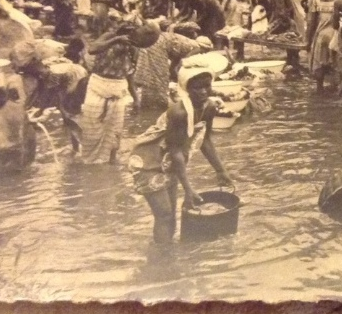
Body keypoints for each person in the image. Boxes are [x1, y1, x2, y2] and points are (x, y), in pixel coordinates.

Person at [129, 67, 233, 244]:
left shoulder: (210, 107)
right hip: (149, 160)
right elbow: (175, 150)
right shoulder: (179, 112)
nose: (202, 92)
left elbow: (205, 140)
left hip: (169, 160)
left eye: (206, 86)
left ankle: (168, 257)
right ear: (186, 89)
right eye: (196, 88)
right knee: (164, 214)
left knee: (171, 214)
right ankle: (162, 261)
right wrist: (188, 188)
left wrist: (220, 170)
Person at [78, 24, 144, 164]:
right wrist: (116, 40)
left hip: (118, 88)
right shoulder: (109, 37)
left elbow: (130, 75)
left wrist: (136, 99)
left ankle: (111, 161)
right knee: (91, 127)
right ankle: (89, 162)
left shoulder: (133, 49)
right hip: (97, 85)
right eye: (127, 34)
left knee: (115, 129)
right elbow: (92, 49)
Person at [306, 0, 339, 90]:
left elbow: (311, 23)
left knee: (319, 63)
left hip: (320, 34)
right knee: (335, 63)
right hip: (335, 35)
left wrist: (308, 41)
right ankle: (336, 89)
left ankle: (319, 89)